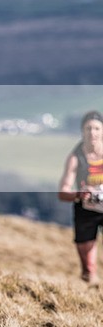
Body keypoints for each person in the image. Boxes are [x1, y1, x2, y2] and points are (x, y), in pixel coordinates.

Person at [58, 110, 103, 285]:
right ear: (82, 131)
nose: (92, 133)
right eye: (88, 129)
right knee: (87, 267)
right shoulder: (75, 157)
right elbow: (62, 192)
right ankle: (90, 290)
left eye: (97, 129)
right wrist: (79, 194)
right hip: (86, 208)